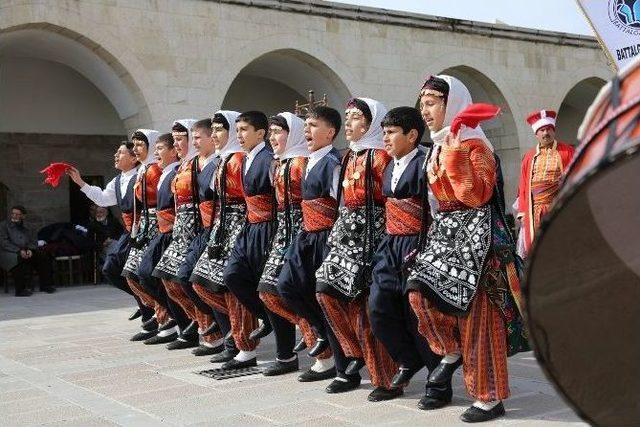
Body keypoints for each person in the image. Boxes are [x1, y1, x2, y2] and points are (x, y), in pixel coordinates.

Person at [406, 75, 525, 422]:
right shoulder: (439, 146)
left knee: (478, 318)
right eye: (423, 104)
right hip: (446, 235)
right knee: (418, 294)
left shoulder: (475, 146)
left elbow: (475, 196)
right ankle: (449, 350)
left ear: (451, 104)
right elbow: (434, 201)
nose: (424, 111)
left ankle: (488, 397)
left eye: (431, 103)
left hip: (479, 240)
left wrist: (457, 157)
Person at [315, 98, 400, 402]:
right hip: (345, 237)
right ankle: (354, 354)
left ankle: (386, 379)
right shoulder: (349, 157)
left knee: (365, 307)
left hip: (373, 239)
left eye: (354, 118)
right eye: (347, 117)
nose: (348, 123)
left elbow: (390, 198)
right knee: (325, 289)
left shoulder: (380, 157)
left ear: (369, 124)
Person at [368, 106, 451, 410]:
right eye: (385, 132)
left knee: (419, 315)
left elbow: (437, 207)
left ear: (412, 135)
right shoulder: (389, 166)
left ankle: (438, 385)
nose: (385, 138)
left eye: (391, 132)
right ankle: (407, 360)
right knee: (378, 308)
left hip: (419, 243)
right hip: (390, 245)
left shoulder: (427, 162)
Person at [256, 112, 332, 377]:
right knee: (269, 291)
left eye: (278, 132)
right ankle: (307, 340)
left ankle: (324, 356)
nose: (273, 138)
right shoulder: (281, 164)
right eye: (271, 132)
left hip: (306, 235)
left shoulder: (303, 163)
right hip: (283, 235)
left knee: (296, 290)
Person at [277, 106, 344, 383]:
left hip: (326, 237)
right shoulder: (309, 161)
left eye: (314, 125)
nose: (307, 130)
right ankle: (321, 333)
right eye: (305, 125)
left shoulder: (332, 163)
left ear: (330, 133)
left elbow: (340, 204)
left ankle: (337, 365)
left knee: (325, 296)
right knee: (287, 285)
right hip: (306, 235)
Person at [190, 110, 255, 365]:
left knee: (229, 286)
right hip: (220, 228)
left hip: (237, 228)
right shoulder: (223, 160)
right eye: (213, 130)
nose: (215, 135)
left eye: (220, 130)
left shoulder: (238, 160)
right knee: (202, 282)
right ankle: (234, 333)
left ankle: (242, 344)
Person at [153, 119, 223, 351]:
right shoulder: (186, 165)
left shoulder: (201, 165)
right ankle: (198, 323)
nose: (180, 144)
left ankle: (213, 330)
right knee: (167, 278)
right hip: (181, 228)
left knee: (187, 279)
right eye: (178, 140)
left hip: (197, 229)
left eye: (183, 139)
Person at [67, 142, 152, 324]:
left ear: (133, 157)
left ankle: (150, 310)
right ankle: (145, 302)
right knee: (110, 269)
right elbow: (103, 199)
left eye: (120, 153)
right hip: (129, 232)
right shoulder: (118, 180)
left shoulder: (142, 176)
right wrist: (80, 182)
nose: (115, 155)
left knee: (135, 273)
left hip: (144, 231)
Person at [220, 111, 277, 370]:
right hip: (249, 226)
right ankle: (264, 316)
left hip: (266, 227)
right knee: (232, 276)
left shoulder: (267, 159)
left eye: (244, 130)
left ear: (261, 133)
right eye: (238, 130)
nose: (239, 135)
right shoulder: (246, 159)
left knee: (263, 285)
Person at [120, 129, 162, 341]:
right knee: (131, 273)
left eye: (139, 145)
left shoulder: (155, 170)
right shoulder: (142, 170)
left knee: (146, 272)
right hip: (143, 225)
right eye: (134, 145)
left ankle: (166, 316)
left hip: (156, 224)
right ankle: (158, 311)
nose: (135, 149)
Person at [517, 110, 575, 257]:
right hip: (535, 211)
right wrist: (523, 212)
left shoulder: (568, 151)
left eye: (548, 129)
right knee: (538, 250)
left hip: (558, 207)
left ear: (553, 131)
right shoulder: (529, 157)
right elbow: (523, 186)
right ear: (536, 134)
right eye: (542, 130)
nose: (545, 133)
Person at [0, 205, 55, 296]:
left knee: (43, 256)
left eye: (18, 214)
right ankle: (20, 290)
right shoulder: (3, 226)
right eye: (13, 214)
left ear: (23, 216)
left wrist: (30, 249)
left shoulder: (29, 226)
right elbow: (4, 242)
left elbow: (34, 241)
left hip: (26, 250)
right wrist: (18, 250)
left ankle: (46, 285)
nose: (14, 216)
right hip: (9, 253)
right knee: (18, 260)